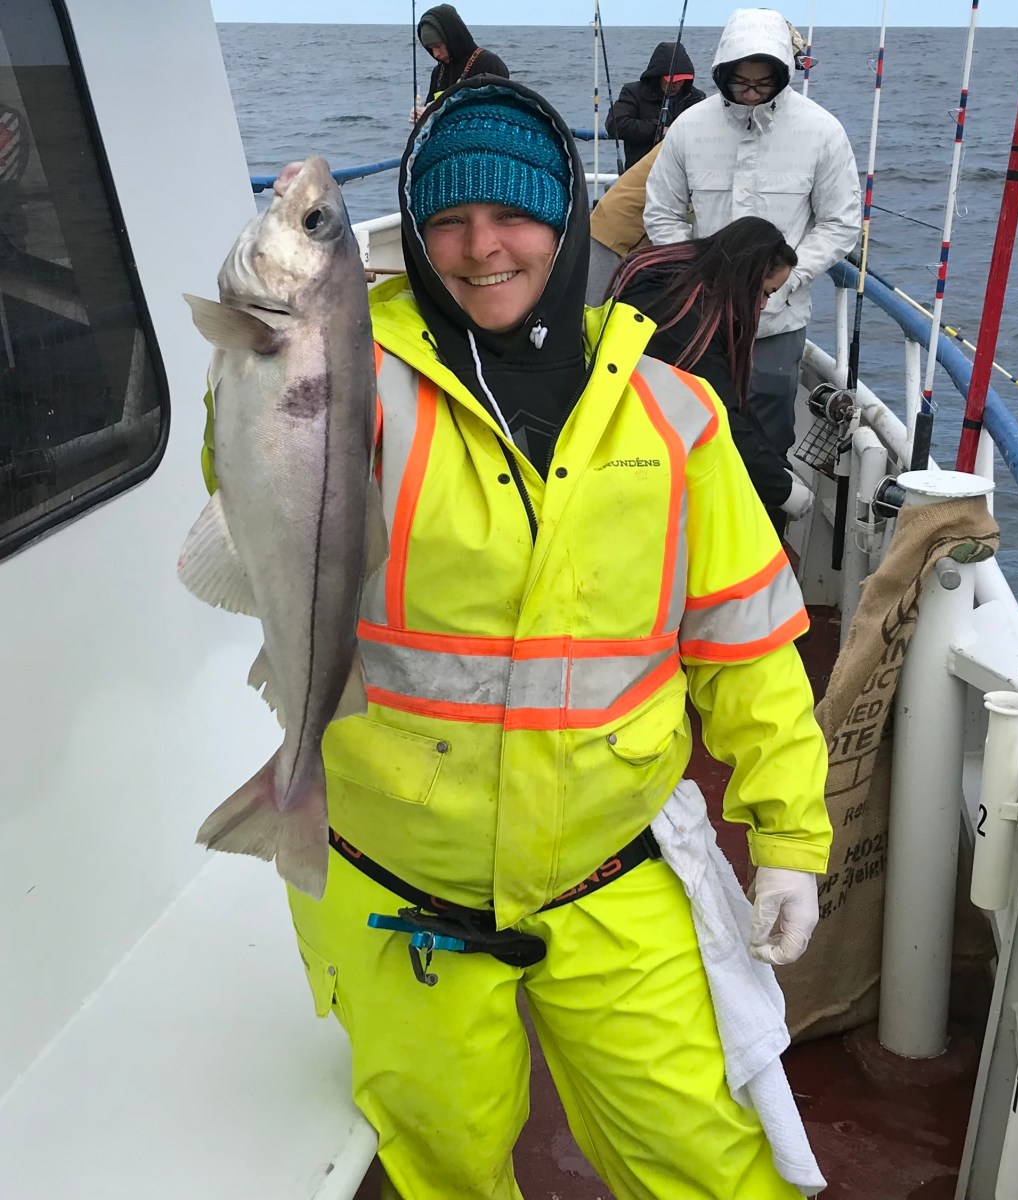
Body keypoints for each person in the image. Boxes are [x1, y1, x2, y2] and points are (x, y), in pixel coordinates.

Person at [274, 77, 831, 1200]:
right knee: (444, 1164)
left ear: (569, 220)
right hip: (395, 887)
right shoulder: (338, 383)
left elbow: (750, 648)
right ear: (414, 238)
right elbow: (238, 470)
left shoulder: (678, 417)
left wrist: (789, 839)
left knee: (710, 1163)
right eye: (448, 219)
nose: (483, 248)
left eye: (514, 213)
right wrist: (282, 337)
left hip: (610, 871)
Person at [643, 7, 860, 454]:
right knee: (694, 427)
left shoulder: (822, 131)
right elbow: (661, 213)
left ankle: (767, 514)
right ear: (722, 73)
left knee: (766, 434)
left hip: (777, 324)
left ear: (784, 75)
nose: (752, 94)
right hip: (701, 319)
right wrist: (700, 277)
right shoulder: (689, 127)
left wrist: (788, 280)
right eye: (741, 82)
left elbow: (841, 223)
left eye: (764, 84)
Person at [607, 216, 814, 533]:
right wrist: (783, 490)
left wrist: (775, 466)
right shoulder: (684, 322)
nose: (761, 306)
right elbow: (719, 417)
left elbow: (728, 401)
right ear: (746, 276)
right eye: (765, 292)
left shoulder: (674, 286)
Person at [604, 41, 705, 169]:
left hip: (683, 172)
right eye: (671, 80)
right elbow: (615, 124)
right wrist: (658, 130)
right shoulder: (633, 92)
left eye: (681, 80)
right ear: (658, 76)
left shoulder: (696, 97)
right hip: (642, 173)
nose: (676, 84)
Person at [584, 141, 662, 305]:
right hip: (613, 232)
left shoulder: (684, 133)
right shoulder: (688, 139)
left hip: (613, 225)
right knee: (593, 311)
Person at [410, 3, 508, 122]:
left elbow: (498, 115)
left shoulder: (490, 64)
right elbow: (431, 115)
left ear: (453, 38)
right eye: (430, 49)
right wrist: (424, 117)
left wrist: (441, 111)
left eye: (438, 46)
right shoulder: (438, 72)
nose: (436, 54)